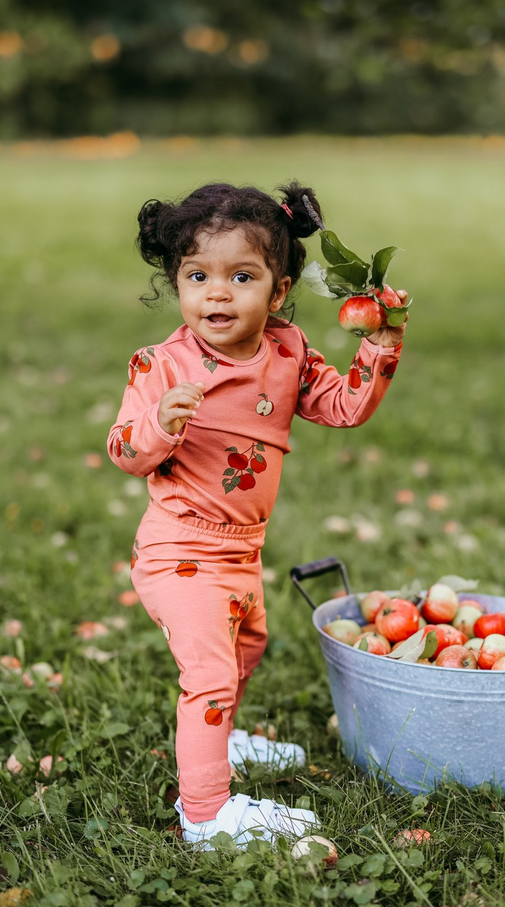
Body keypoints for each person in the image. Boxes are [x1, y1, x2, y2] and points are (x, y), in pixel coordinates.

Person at [106, 181, 406, 847]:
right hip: (178, 548)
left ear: (278, 289)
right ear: (177, 282)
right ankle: (206, 815)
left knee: (245, 649)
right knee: (209, 673)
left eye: (241, 276)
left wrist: (381, 340)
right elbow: (124, 449)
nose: (216, 292)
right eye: (197, 275)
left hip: (242, 547)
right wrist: (158, 425)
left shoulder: (288, 351)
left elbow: (344, 406)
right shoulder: (161, 366)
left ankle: (222, 741)